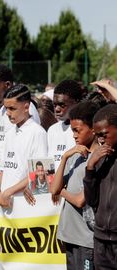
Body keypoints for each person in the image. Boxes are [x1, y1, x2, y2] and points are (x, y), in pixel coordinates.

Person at [50, 101, 101, 270]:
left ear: (93, 129)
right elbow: (53, 188)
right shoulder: (75, 154)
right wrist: (64, 157)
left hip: (87, 239)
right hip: (70, 235)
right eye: (72, 130)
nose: (74, 135)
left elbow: (80, 200)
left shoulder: (99, 159)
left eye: (77, 130)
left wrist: (61, 191)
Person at [0, 84, 47, 208]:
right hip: (5, 201)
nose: (8, 113)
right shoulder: (9, 133)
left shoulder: (37, 132)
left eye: (12, 108)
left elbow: (39, 172)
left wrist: (10, 191)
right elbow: (4, 166)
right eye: (6, 109)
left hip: (24, 204)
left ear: (26, 107)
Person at [83, 104, 117, 269]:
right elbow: (91, 199)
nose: (101, 140)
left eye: (104, 134)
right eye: (97, 136)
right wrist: (90, 168)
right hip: (101, 240)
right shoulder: (99, 158)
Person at [47, 79, 83, 169]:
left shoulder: (84, 130)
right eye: (54, 105)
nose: (57, 109)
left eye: (62, 105)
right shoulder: (52, 130)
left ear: (77, 102)